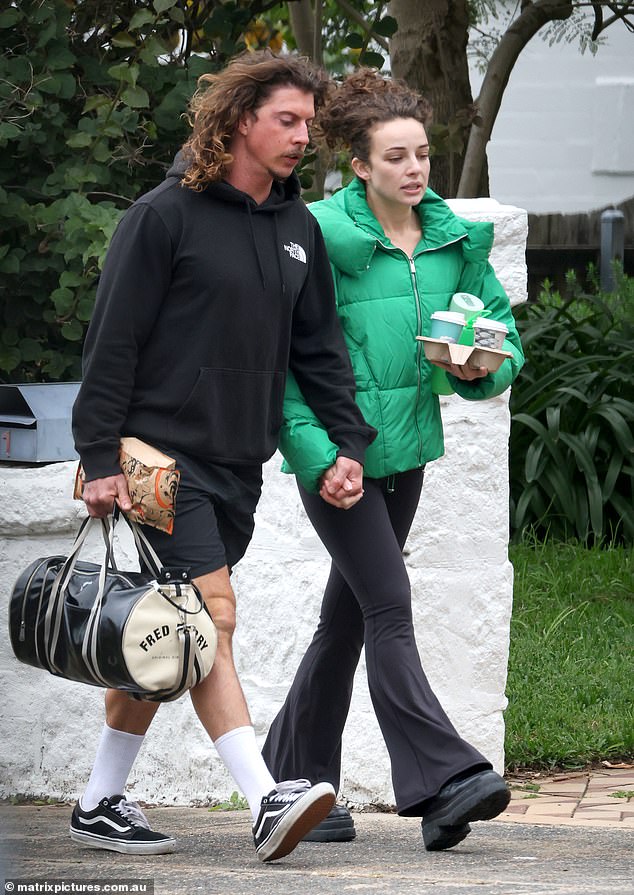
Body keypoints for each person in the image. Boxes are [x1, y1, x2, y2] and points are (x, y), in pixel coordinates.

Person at [70, 50, 376, 863]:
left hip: (238, 465)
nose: (303, 135)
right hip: (158, 460)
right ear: (242, 119)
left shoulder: (297, 229)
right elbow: (113, 344)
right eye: (288, 118)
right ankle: (265, 795)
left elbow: (320, 353)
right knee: (213, 616)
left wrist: (347, 443)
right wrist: (98, 455)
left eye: (310, 122)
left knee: (169, 638)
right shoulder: (163, 216)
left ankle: (99, 800)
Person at [262, 68, 525, 851]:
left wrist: (483, 366)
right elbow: (285, 363)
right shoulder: (315, 236)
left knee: (344, 622)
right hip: (336, 460)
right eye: (397, 157)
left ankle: (293, 776)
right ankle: (444, 779)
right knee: (389, 604)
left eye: (423, 156)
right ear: (361, 165)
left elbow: (496, 334)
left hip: (407, 452)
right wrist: (317, 454)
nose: (415, 170)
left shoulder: (452, 239)